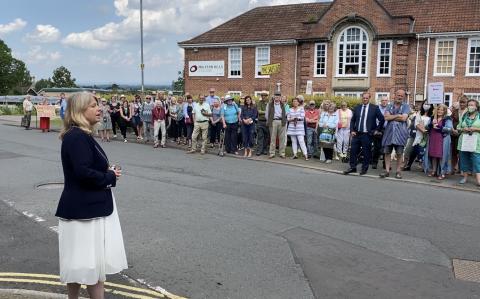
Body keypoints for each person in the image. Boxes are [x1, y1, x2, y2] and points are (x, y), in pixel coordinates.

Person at [56, 92, 127, 299]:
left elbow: (84, 168)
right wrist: (110, 175)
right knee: (90, 266)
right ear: (79, 111)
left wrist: (107, 170)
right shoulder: (77, 136)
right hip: (85, 210)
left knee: (79, 266)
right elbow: (83, 173)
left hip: (83, 208)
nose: (99, 109)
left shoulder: (78, 134)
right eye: (93, 105)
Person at [344, 92, 384, 175]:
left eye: (366, 98)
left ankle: (364, 169)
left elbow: (382, 119)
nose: (365, 99)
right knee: (353, 151)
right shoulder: (357, 107)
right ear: (361, 98)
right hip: (357, 133)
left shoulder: (374, 108)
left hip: (367, 134)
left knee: (366, 152)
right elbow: (353, 120)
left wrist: (377, 130)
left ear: (369, 98)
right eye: (363, 98)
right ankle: (352, 167)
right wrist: (352, 130)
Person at [380, 89, 411, 179]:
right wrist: (398, 115)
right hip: (389, 133)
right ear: (395, 95)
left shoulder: (406, 106)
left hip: (400, 134)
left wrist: (392, 116)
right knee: (387, 152)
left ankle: (398, 171)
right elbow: (386, 117)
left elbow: (404, 118)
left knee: (399, 153)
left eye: (402, 96)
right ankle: (386, 170)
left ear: (404, 97)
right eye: (398, 95)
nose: (400, 97)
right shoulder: (389, 105)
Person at [403, 100, 433, 171]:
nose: (426, 105)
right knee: (414, 150)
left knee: (425, 152)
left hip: (428, 136)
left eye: (428, 104)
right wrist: (423, 130)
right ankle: (408, 165)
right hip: (419, 135)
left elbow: (432, 124)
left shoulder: (432, 115)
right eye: (425, 103)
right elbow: (416, 124)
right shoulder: (419, 113)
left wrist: (427, 130)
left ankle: (424, 166)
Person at [426, 104, 453, 180]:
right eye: (438, 109)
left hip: (442, 140)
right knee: (433, 155)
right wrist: (431, 125)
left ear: (444, 111)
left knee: (442, 156)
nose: (440, 111)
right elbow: (426, 127)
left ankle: (442, 172)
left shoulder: (447, 119)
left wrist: (439, 127)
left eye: (442, 110)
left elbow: (449, 129)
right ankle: (434, 171)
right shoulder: (432, 118)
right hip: (433, 138)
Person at [457, 99, 480, 186]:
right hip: (464, 140)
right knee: (464, 159)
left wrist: (476, 129)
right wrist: (463, 129)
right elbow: (458, 127)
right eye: (469, 105)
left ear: (476, 107)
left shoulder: (479, 116)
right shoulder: (464, 116)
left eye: (472, 105)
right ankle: (465, 177)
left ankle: (478, 179)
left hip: (476, 141)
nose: (470, 107)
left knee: (477, 160)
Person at [266, 92, 287, 159]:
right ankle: (272, 153)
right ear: (274, 97)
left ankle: (282, 153)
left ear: (280, 97)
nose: (277, 97)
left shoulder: (283, 105)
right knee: (272, 138)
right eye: (276, 96)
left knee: (282, 139)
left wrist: (284, 120)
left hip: (281, 121)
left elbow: (286, 113)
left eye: (278, 96)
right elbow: (266, 114)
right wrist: (269, 121)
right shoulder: (269, 104)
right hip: (273, 121)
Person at [451, 95, 468, 173]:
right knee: (454, 152)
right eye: (461, 102)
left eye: (463, 102)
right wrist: (452, 129)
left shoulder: (469, 111)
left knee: (462, 152)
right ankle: (453, 168)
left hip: (464, 134)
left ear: (467, 103)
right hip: (454, 134)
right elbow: (450, 120)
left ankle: (462, 169)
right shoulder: (455, 111)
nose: (462, 104)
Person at [371, 96, 389, 169]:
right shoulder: (376, 108)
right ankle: (374, 162)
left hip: (387, 130)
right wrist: (375, 130)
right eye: (383, 100)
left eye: (385, 100)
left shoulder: (390, 108)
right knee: (377, 147)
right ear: (380, 101)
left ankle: (386, 164)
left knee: (387, 148)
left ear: (387, 101)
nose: (384, 102)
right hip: (378, 130)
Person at [255, 91, 270, 156]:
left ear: (267, 96)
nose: (263, 97)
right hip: (260, 121)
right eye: (262, 96)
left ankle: (265, 149)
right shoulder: (259, 103)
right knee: (260, 136)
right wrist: (266, 112)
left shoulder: (269, 103)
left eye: (265, 96)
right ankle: (259, 150)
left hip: (267, 121)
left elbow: (270, 112)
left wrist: (264, 112)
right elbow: (259, 111)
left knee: (266, 137)